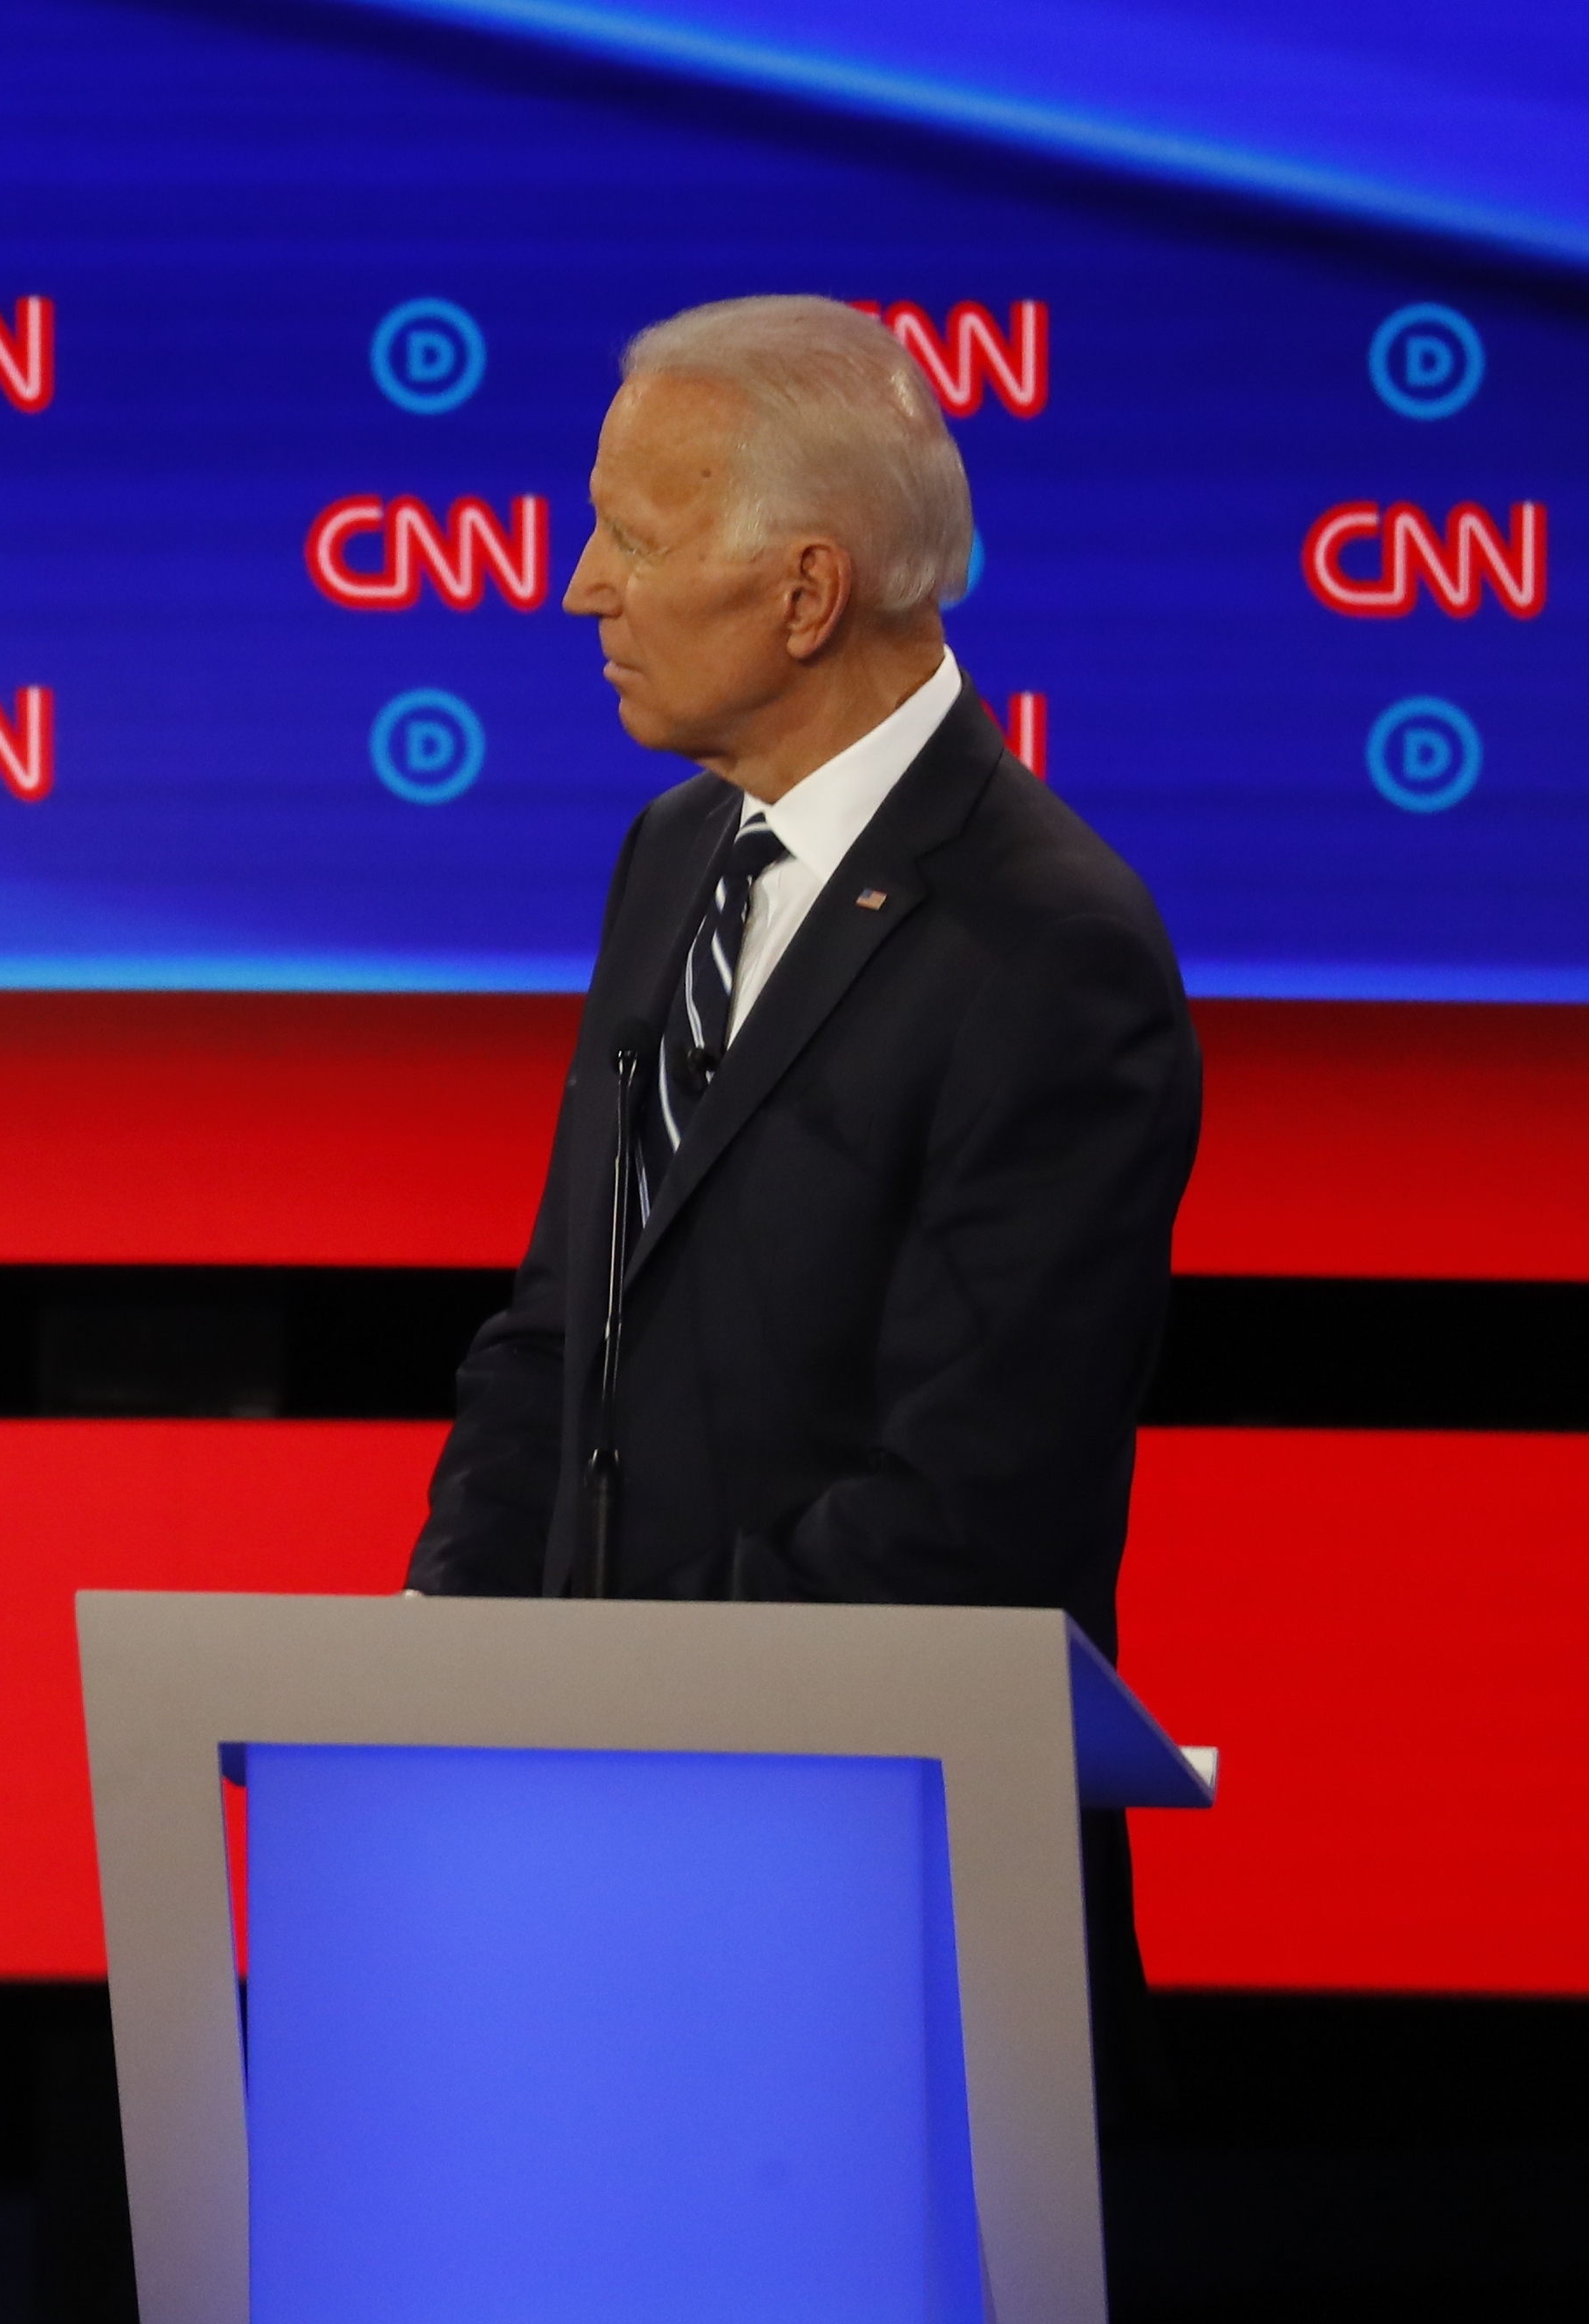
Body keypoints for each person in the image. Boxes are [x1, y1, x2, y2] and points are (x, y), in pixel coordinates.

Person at [405, 296, 1200, 2111]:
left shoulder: (1048, 946)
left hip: (883, 1903)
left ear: (802, 591)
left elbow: (969, 1514)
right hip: (602, 1872)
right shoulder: (673, 851)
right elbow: (554, 1328)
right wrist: (445, 1655)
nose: (575, 586)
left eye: (632, 534)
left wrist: (592, 1682)